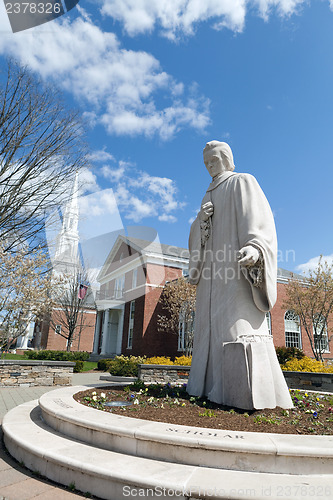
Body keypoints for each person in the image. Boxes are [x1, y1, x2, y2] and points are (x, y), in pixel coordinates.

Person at [186, 141, 293, 410]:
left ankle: (246, 394)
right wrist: (200, 221)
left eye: (214, 159)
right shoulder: (205, 197)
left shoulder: (242, 182)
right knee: (209, 333)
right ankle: (207, 388)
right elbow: (198, 237)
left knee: (238, 330)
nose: (210, 165)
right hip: (210, 278)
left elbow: (260, 221)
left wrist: (255, 248)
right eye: (206, 162)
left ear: (226, 158)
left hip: (234, 273)